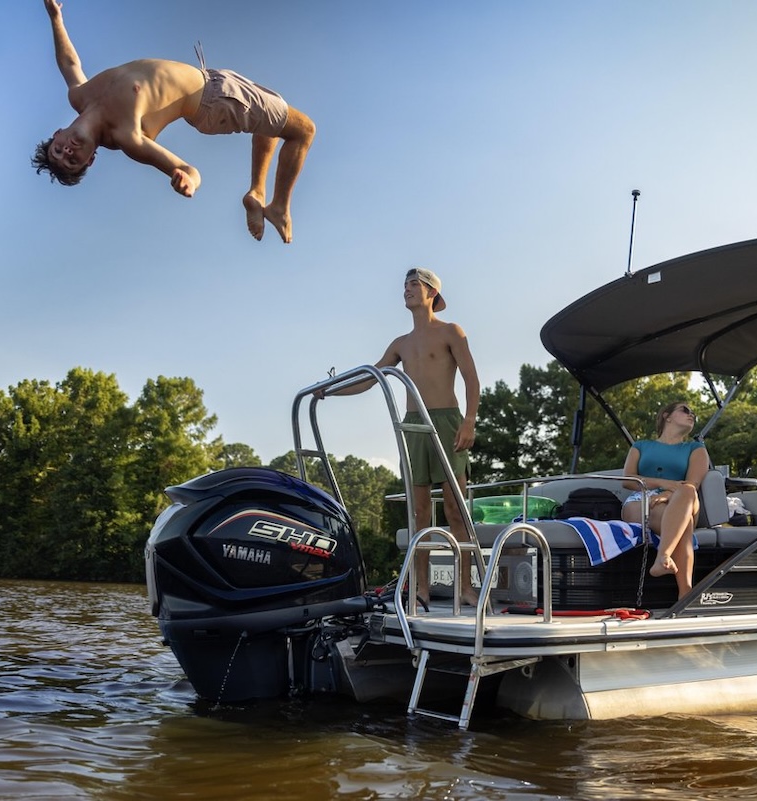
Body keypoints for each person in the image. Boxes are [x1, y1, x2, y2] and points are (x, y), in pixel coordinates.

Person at [35, 0, 316, 244]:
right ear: (90, 160)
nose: (68, 152)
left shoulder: (79, 95)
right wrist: (187, 181)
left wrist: (55, 18)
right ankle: (279, 208)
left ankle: (257, 193)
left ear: (58, 133)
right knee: (303, 130)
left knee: (271, 124)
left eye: (59, 151)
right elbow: (187, 169)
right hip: (214, 101)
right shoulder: (125, 136)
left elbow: (69, 64)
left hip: (214, 80)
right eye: (72, 161)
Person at [319, 268, 480, 608]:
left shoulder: (452, 331)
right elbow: (370, 378)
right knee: (419, 512)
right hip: (413, 424)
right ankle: (420, 587)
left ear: (432, 293)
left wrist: (469, 421)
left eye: (414, 285)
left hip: (448, 422)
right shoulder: (401, 344)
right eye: (404, 285)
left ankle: (465, 587)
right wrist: (329, 390)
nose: (406, 290)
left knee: (455, 508)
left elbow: (471, 379)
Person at [620, 401, 710, 599]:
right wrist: (665, 484)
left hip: (682, 499)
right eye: (685, 410)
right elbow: (628, 480)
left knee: (686, 491)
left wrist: (669, 494)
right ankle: (685, 592)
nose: (691, 415)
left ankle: (663, 556)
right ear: (666, 416)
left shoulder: (696, 449)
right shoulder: (640, 446)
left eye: (693, 413)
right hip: (643, 498)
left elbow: (692, 484)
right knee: (680, 524)